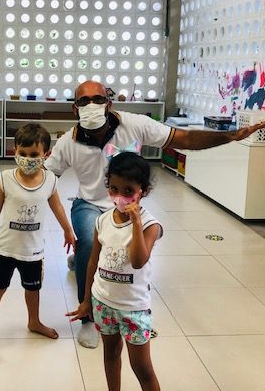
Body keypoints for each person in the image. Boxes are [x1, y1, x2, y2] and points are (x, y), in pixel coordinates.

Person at [0, 80, 265, 348]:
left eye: (98, 99)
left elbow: (185, 139)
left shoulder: (134, 124)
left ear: (109, 103)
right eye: (83, 101)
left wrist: (231, 136)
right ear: (75, 108)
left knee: (131, 252)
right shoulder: (68, 142)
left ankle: (129, 305)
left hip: (127, 203)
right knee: (90, 241)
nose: (91, 105)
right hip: (88, 204)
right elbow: (35, 181)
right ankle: (88, 316)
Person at [67, 152, 163, 391]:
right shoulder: (103, 220)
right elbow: (93, 262)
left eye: (128, 191)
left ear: (143, 191)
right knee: (110, 354)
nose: (120, 197)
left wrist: (136, 223)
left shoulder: (150, 225)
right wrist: (87, 301)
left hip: (133, 308)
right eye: (114, 189)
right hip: (103, 302)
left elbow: (138, 261)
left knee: (142, 367)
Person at [0, 123, 76, 363]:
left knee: (33, 290)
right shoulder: (5, 178)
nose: (27, 159)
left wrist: (68, 230)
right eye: (22, 153)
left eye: (34, 154)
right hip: (5, 248)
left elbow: (57, 206)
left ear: (46, 154)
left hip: (33, 250)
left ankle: (34, 322)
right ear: (15, 150)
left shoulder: (50, 180)